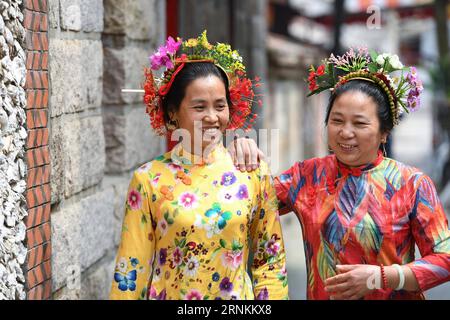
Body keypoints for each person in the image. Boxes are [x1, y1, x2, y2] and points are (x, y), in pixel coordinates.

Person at [229, 48, 450, 299]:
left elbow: (445, 259)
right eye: (337, 121)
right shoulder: (307, 176)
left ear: (384, 132)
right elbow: (242, 205)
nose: (346, 132)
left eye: (360, 123)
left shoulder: (412, 184)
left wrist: (381, 277)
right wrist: (238, 150)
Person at [109, 31, 289, 300]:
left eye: (220, 105)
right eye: (199, 107)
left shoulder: (252, 171)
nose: (212, 117)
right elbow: (130, 274)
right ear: (172, 111)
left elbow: (270, 262)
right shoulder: (148, 180)